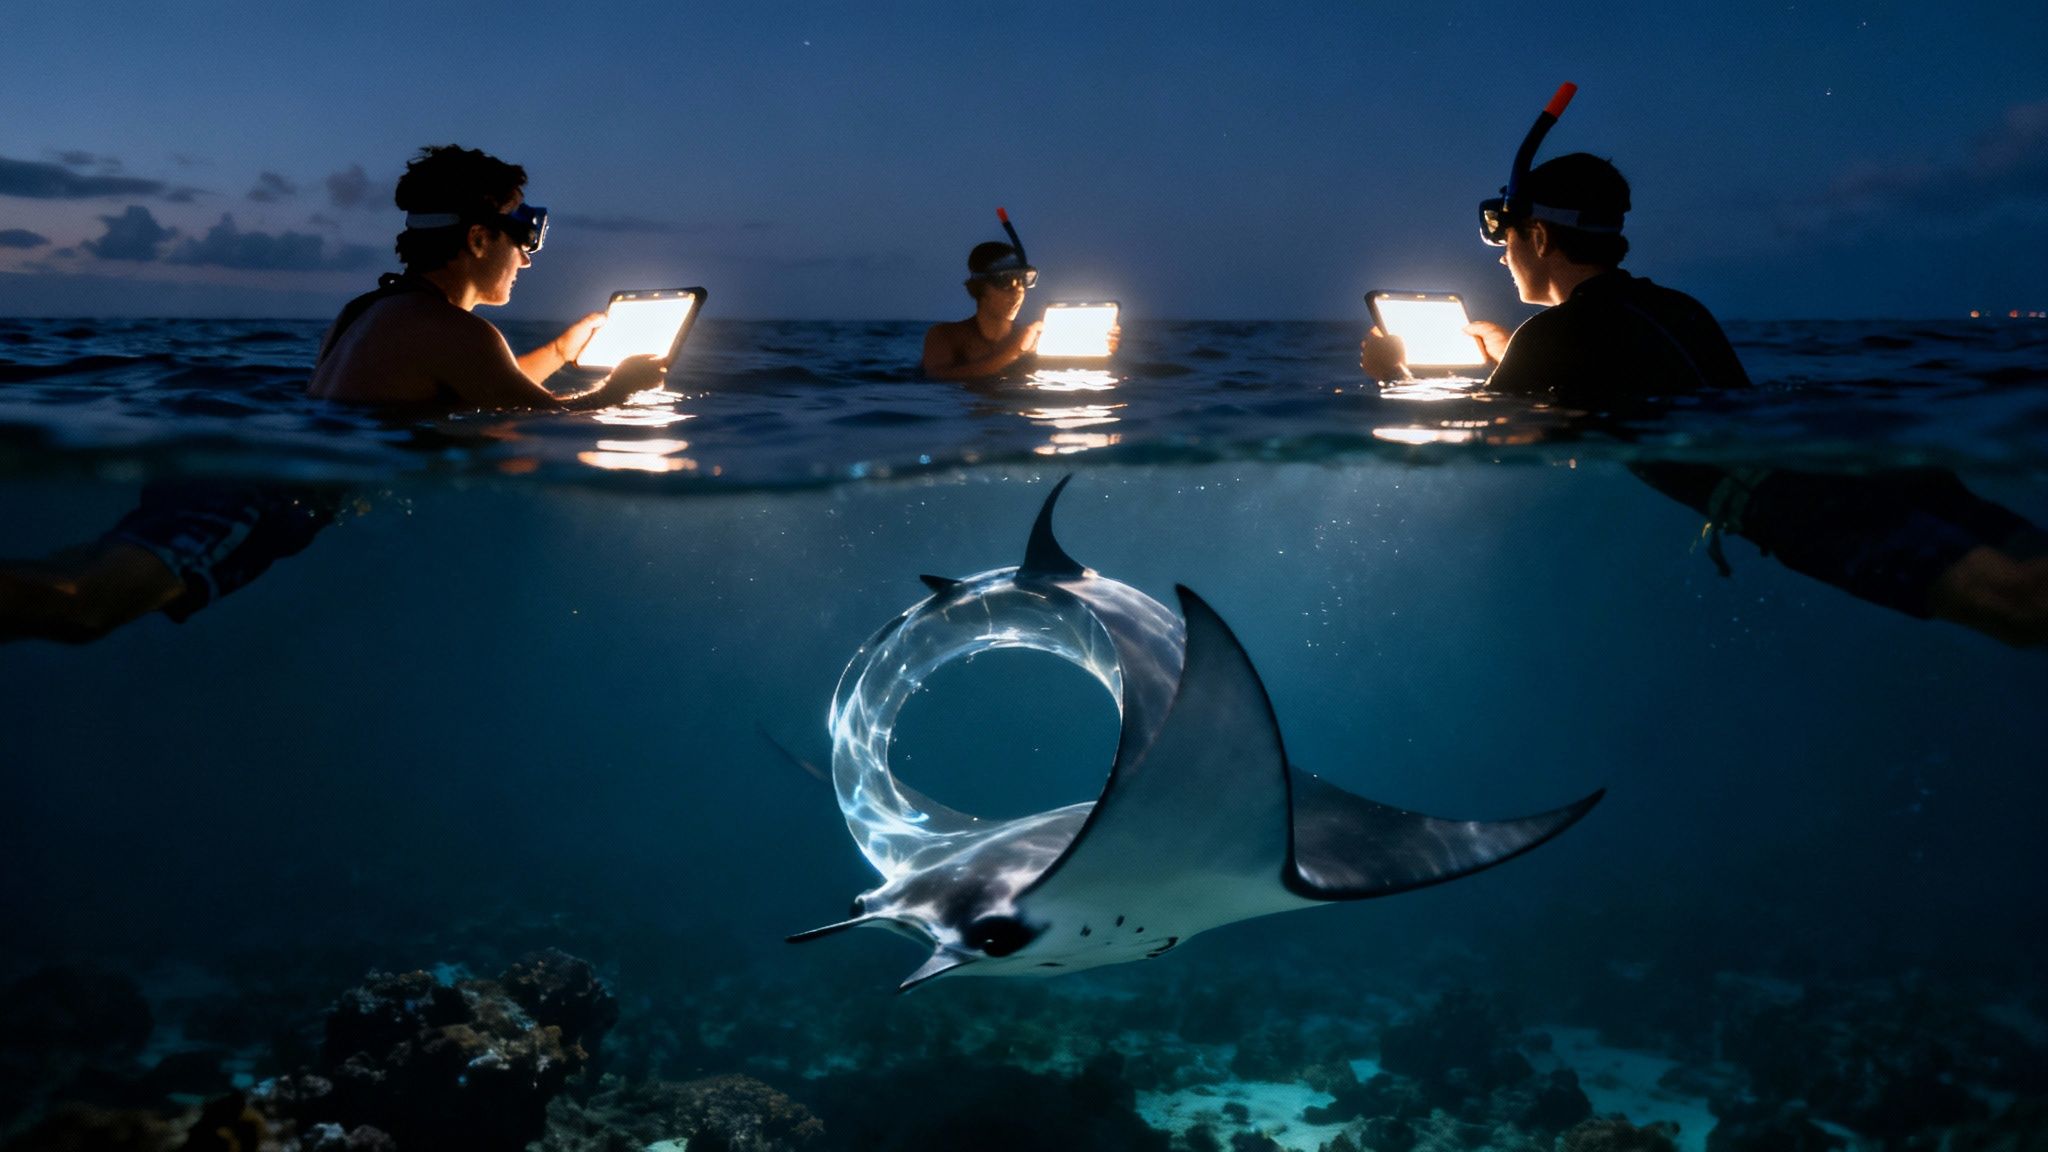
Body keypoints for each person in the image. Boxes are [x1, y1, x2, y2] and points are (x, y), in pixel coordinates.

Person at [1360, 152, 1750, 406]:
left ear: (1541, 238)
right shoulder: (1682, 309)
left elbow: (1487, 435)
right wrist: (1511, 354)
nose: (1503, 260)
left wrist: (1392, 375)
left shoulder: (1553, 335)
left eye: (1509, 242)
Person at [307, 145, 663, 408]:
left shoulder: (360, 312)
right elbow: (547, 421)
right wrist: (619, 391)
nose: (525, 260)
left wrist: (559, 351)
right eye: (521, 240)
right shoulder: (452, 330)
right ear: (478, 240)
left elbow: (488, 383)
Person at [922, 241, 1048, 381]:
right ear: (980, 287)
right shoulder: (944, 336)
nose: (1017, 292)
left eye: (1023, 281)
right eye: (1006, 281)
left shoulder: (1032, 340)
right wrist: (1016, 352)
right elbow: (936, 377)